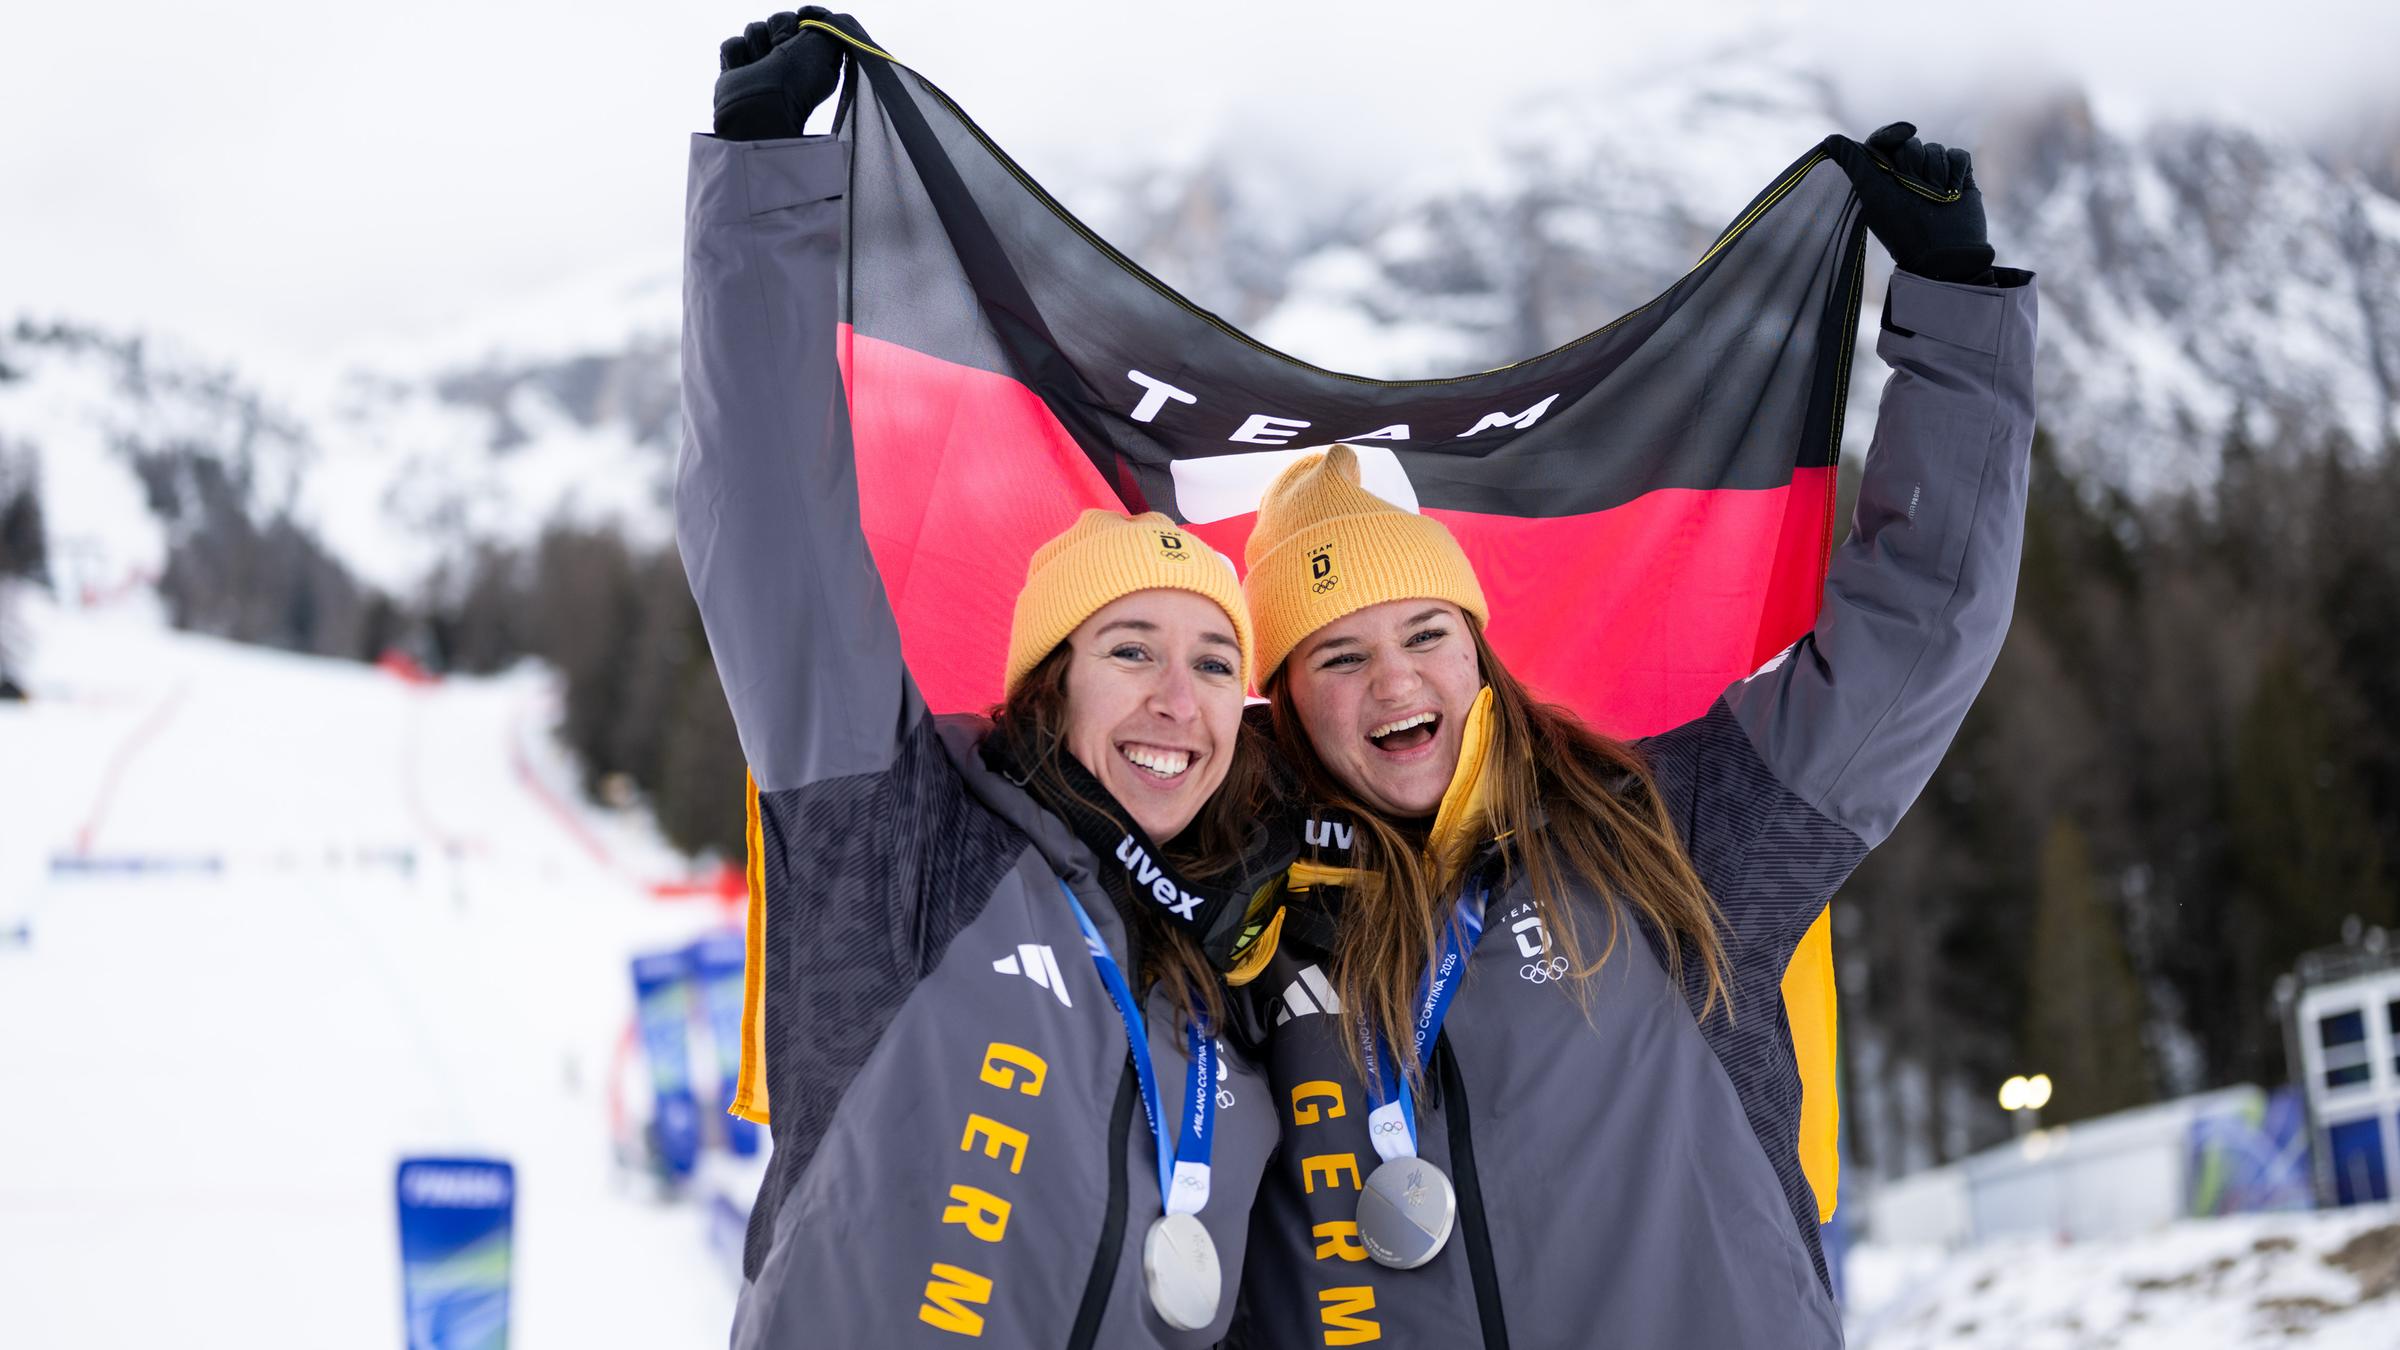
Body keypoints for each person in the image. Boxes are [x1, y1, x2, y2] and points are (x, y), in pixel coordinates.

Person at [1228, 130, 2037, 1347]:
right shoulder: (1231, 912)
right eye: (1338, 656)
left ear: (1480, 651)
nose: (1394, 680)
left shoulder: (1671, 821)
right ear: (1283, 702)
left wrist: (1958, 306)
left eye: (1426, 633)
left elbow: (1918, 624)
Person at [682, 13, 1299, 1347]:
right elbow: (776, 528)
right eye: (1127, 650)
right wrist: (767, 182)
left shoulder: (1238, 992)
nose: (1172, 701)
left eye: (1211, 664)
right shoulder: (907, 844)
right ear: (1046, 690)